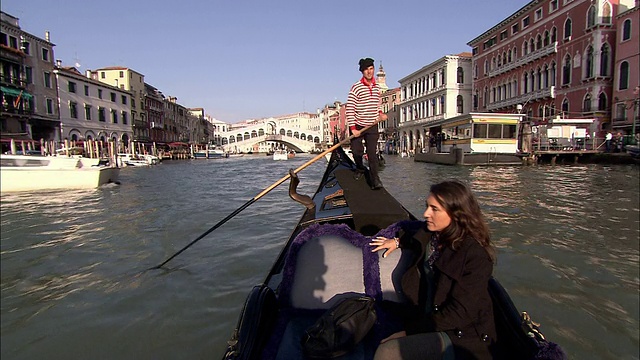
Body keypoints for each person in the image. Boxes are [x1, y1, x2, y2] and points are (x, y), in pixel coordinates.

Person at [369, 180, 497, 360]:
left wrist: (410, 332)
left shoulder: (475, 256)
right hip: (427, 317)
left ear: (456, 214)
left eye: (434, 209)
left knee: (387, 352)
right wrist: (397, 242)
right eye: (427, 206)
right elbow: (415, 235)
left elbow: (460, 313)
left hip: (459, 335)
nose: (426, 213)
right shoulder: (434, 236)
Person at [347, 57, 387, 190]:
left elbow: (377, 104)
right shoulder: (356, 87)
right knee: (357, 152)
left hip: (372, 125)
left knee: (372, 154)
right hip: (358, 124)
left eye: (371, 69)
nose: (369, 72)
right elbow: (350, 108)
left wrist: (380, 113)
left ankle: (375, 180)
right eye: (366, 70)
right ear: (362, 72)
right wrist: (353, 128)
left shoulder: (377, 87)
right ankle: (360, 168)